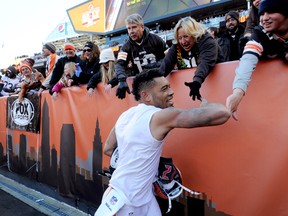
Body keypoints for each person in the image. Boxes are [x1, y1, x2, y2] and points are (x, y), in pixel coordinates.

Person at [94, 68, 230, 216]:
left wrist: (144, 162)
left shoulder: (126, 115)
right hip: (125, 202)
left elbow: (108, 148)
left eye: (169, 87)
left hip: (137, 195)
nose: (171, 92)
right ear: (146, 96)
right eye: (164, 89)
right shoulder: (160, 116)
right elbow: (222, 113)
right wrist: (206, 106)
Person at [226, 0, 288, 120]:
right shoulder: (259, 34)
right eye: (261, 13)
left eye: (270, 12)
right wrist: (237, 93)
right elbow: (248, 60)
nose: (264, 18)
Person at [160, 16, 224, 101]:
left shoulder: (207, 41)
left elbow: (205, 63)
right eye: (180, 38)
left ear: (194, 34)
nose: (183, 41)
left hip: (218, 86)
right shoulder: (177, 46)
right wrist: (153, 82)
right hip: (190, 92)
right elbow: (165, 65)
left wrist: (196, 82)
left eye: (186, 36)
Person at [115, 13, 167, 99]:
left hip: (158, 81)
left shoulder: (155, 39)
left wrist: (156, 66)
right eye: (129, 28)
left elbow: (168, 57)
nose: (131, 31)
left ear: (142, 27)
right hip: (142, 85)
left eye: (134, 27)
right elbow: (119, 64)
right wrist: (122, 80)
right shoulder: (126, 47)